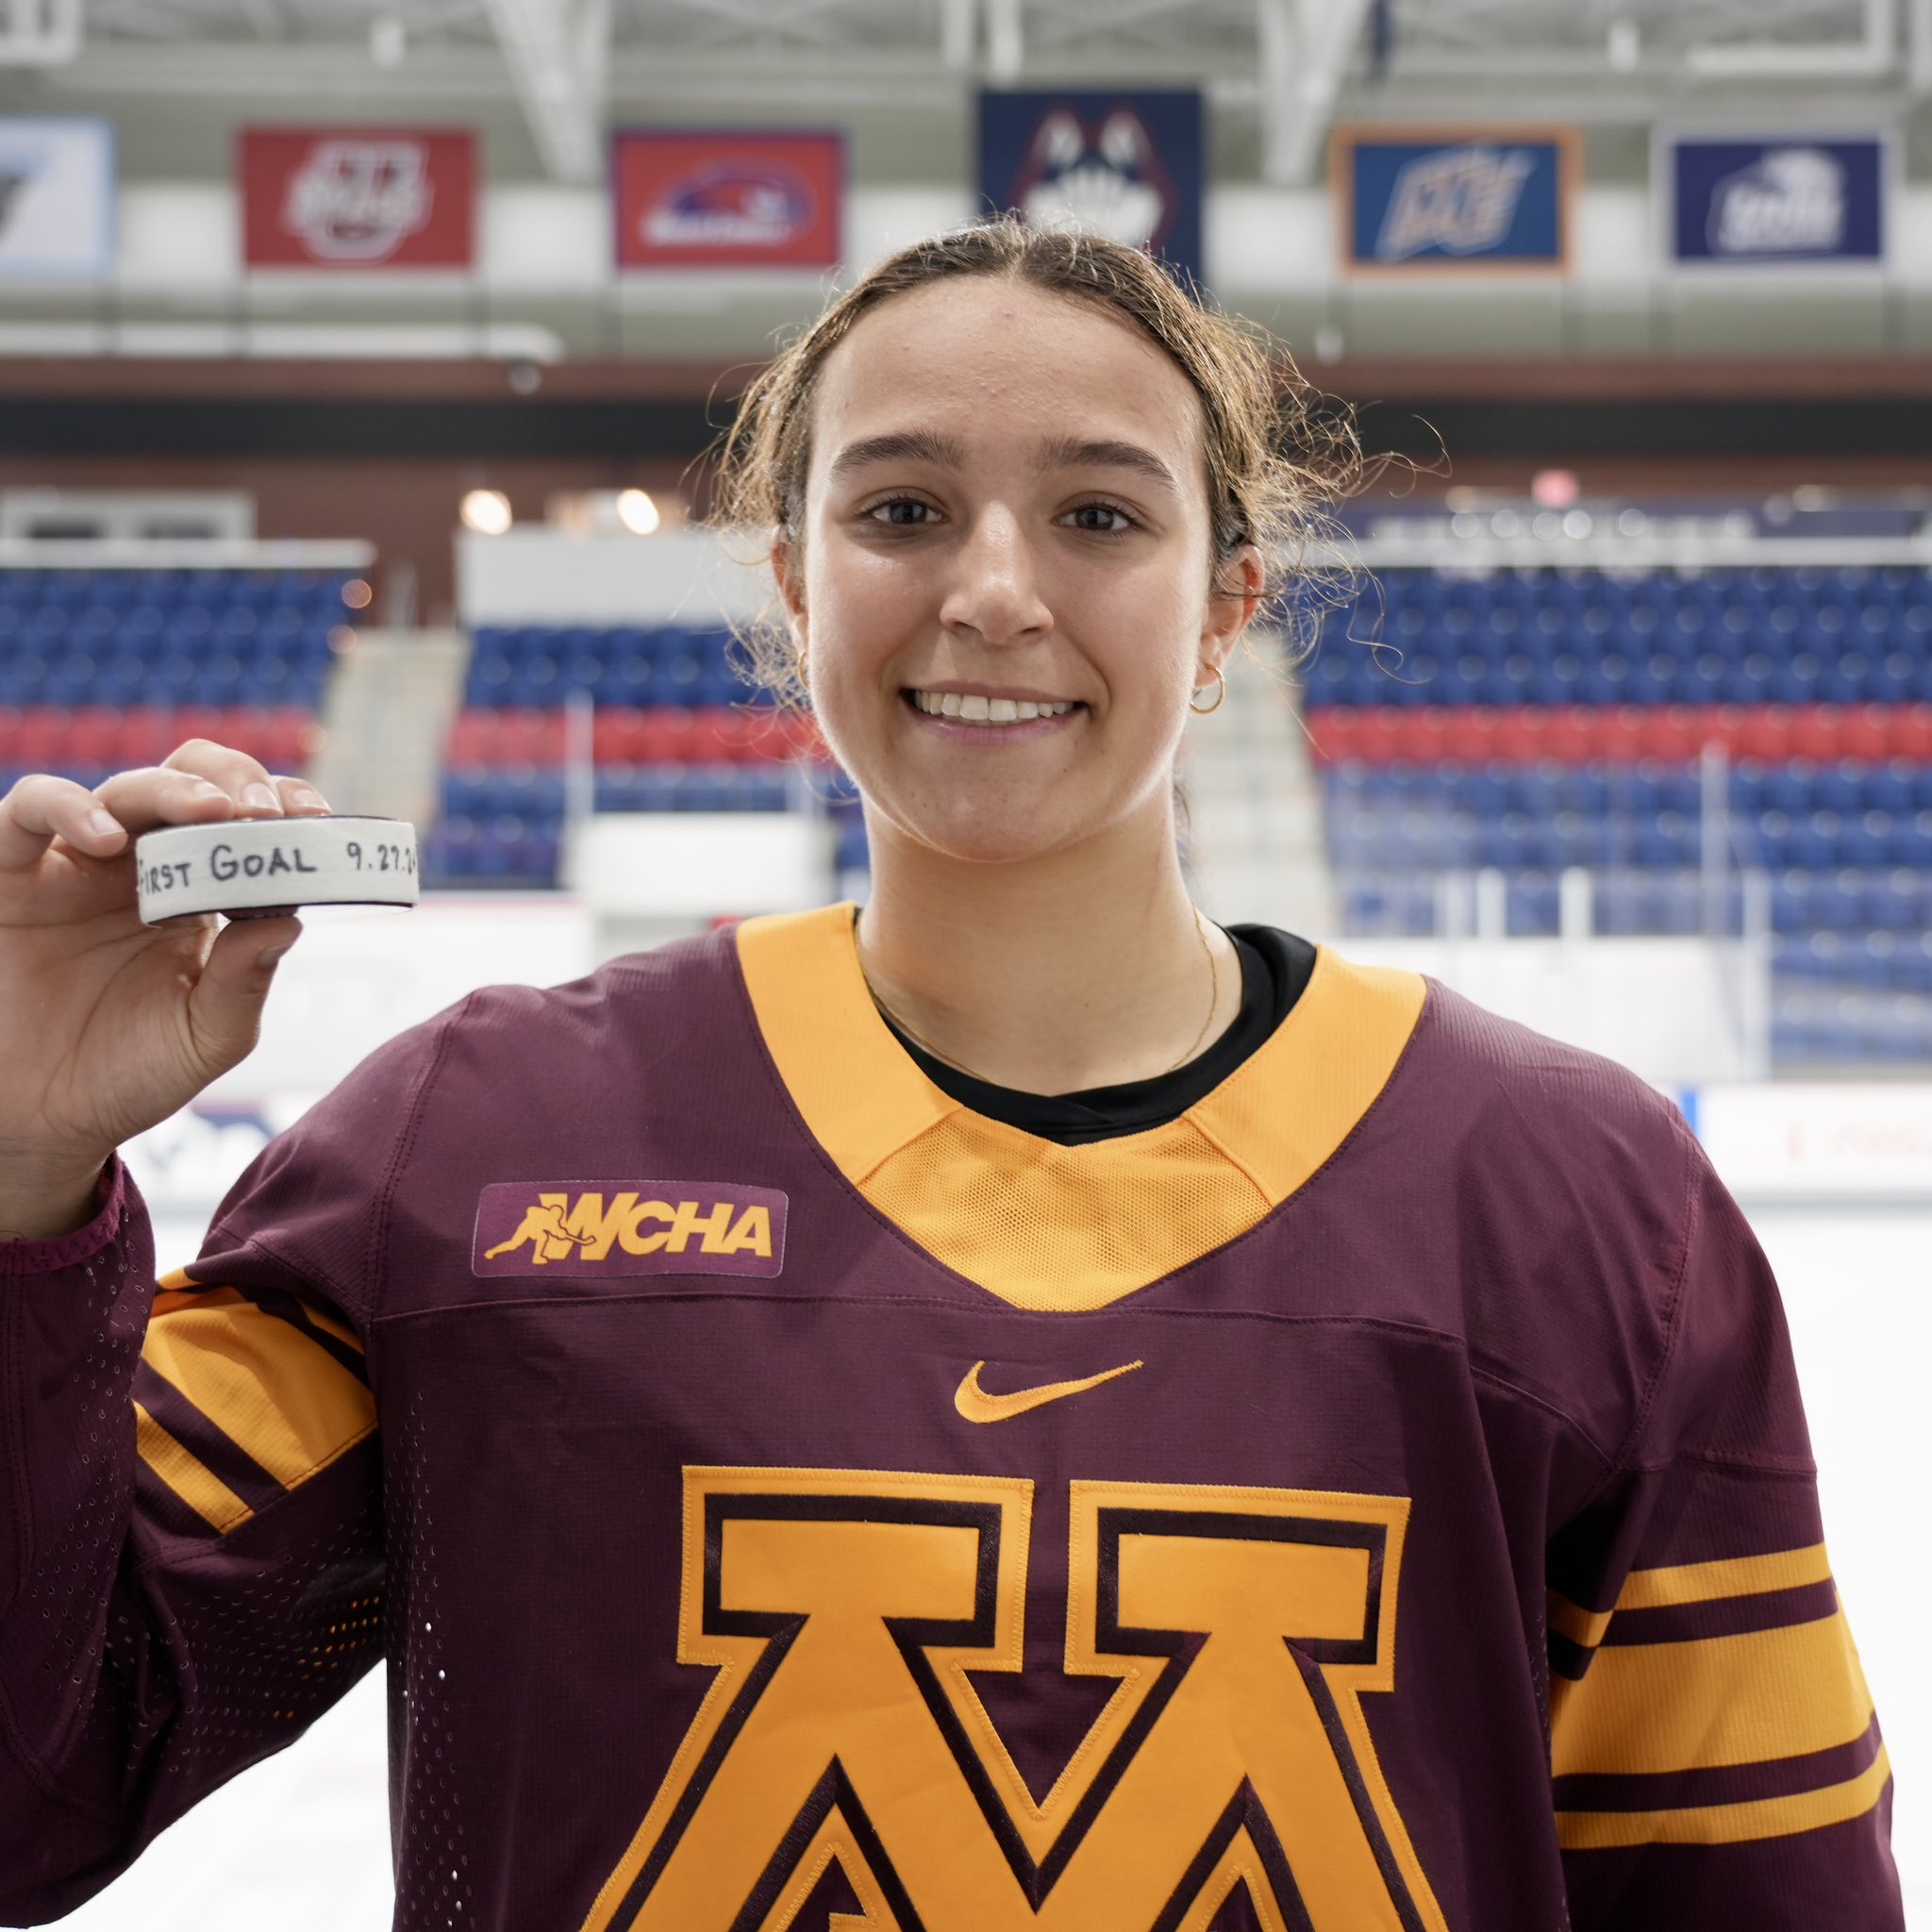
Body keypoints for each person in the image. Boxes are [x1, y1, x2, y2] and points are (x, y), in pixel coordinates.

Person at [0, 218, 1903, 1932]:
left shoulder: (1577, 1199)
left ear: (1227, 601)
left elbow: (1756, 1893)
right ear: (795, 585)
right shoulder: (470, 1149)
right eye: (901, 511)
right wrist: (16, 1174)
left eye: (1098, 515)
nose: (992, 589)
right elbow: (35, 1789)